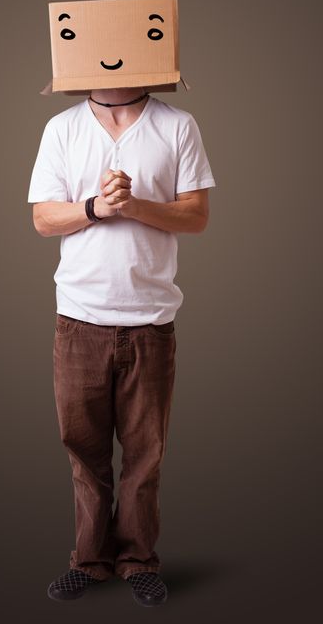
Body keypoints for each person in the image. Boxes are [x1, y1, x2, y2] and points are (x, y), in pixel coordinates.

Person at [27, 85, 216, 606]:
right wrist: (95, 207)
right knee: (85, 452)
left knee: (144, 454)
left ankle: (137, 561)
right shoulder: (61, 128)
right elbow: (44, 218)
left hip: (151, 320)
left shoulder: (178, 125)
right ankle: (89, 561)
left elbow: (196, 216)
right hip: (79, 319)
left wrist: (133, 205)